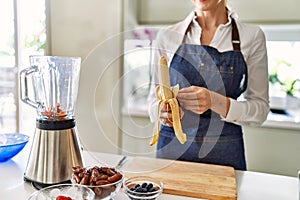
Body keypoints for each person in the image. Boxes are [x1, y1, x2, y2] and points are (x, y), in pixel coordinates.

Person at [147, 0, 269, 170]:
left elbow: (260, 110)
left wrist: (215, 101)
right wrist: (161, 112)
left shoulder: (252, 36)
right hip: (171, 154)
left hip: (225, 155)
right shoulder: (167, 36)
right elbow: (154, 99)